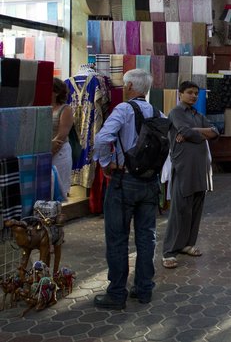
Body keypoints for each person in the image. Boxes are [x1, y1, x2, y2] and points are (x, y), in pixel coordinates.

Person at [92, 69, 161, 309]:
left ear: (131, 85)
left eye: (124, 84)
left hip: (125, 182)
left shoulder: (123, 109)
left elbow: (102, 139)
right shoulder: (156, 111)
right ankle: (143, 289)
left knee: (118, 238)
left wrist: (105, 163)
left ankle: (116, 294)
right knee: (146, 238)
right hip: (150, 183)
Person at [162, 81, 219, 269]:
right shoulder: (176, 113)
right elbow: (184, 131)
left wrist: (195, 132)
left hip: (200, 168)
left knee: (196, 207)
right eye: (189, 93)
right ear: (181, 94)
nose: (193, 96)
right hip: (184, 167)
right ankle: (169, 252)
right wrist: (201, 133)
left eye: (196, 93)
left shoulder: (197, 114)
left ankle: (187, 244)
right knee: (180, 209)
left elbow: (215, 131)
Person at [51, 78, 74, 199]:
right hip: (46, 150)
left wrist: (50, 150)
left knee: (58, 187)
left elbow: (62, 135)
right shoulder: (43, 107)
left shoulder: (65, 109)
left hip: (59, 152)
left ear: (56, 92)